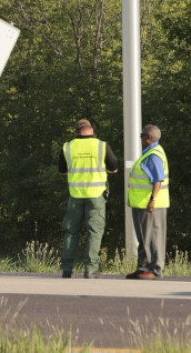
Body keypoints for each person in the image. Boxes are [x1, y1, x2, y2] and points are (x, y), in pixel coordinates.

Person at [58, 118, 119, 278]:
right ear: (91, 129)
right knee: (94, 231)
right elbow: (114, 167)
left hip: (75, 194)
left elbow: (62, 171)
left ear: (76, 131)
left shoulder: (68, 147)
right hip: (96, 195)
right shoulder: (101, 145)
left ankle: (67, 269)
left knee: (71, 231)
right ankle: (90, 269)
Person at [126, 124, 169, 280]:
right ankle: (143, 267)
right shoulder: (149, 153)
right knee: (144, 237)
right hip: (141, 203)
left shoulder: (154, 155)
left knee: (152, 237)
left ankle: (155, 269)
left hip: (150, 204)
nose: (140, 138)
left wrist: (152, 199)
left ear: (149, 138)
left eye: (142, 135)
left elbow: (158, 179)